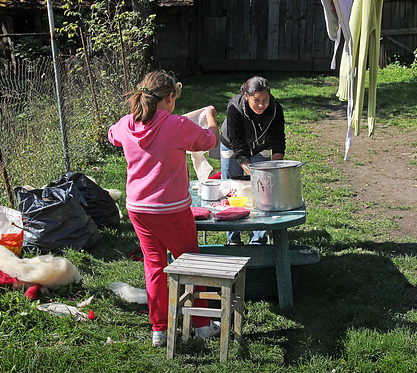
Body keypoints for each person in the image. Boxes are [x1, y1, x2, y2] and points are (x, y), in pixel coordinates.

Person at [108, 70, 221, 348]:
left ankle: (159, 329)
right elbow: (210, 140)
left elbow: (113, 136)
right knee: (191, 264)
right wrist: (212, 120)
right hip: (171, 209)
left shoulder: (126, 124)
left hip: (138, 208)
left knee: (155, 266)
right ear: (170, 98)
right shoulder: (176, 124)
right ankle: (203, 324)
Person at [220, 76, 286, 245]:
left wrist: (276, 168)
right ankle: (233, 239)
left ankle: (258, 240)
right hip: (233, 147)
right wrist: (248, 166)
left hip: (260, 146)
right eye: (256, 100)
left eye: (265, 100)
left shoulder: (275, 109)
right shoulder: (234, 107)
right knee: (233, 191)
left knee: (263, 191)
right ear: (246, 96)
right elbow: (237, 142)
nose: (262, 105)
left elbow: (278, 140)